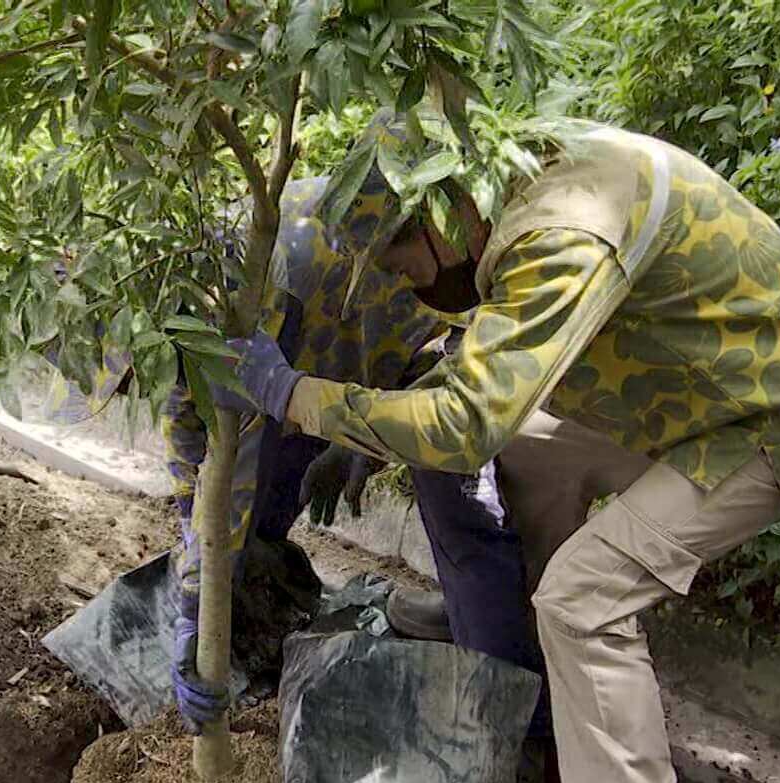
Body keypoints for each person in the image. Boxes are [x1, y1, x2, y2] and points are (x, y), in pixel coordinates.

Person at [220, 117, 780, 783]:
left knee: (583, 597)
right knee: (530, 454)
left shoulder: (563, 230)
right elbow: (496, 371)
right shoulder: (507, 172)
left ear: (433, 220)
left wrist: (300, 399)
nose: (403, 284)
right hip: (696, 383)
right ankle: (509, 649)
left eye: (398, 263)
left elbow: (465, 421)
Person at [160, 168, 542, 733]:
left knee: (458, 498)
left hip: (405, 380)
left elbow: (462, 368)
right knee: (255, 508)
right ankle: (247, 624)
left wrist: (379, 436)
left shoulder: (260, 278)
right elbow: (206, 480)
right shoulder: (192, 340)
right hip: (322, 384)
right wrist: (201, 597)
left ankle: (512, 717)